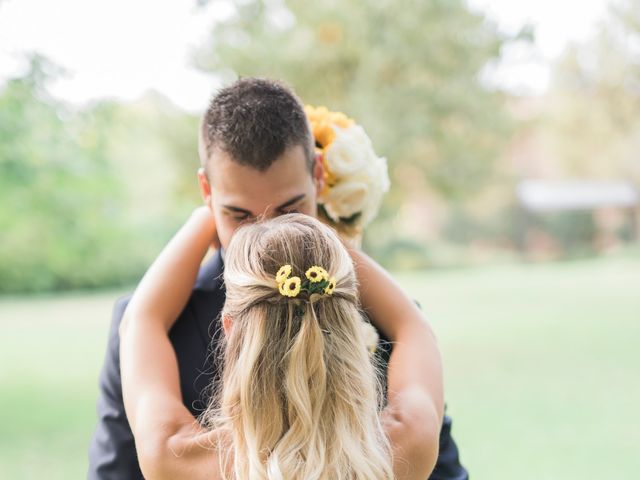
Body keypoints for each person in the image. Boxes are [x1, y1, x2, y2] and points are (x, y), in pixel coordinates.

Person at [88, 77, 468, 479]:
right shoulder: (404, 443)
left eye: (288, 210)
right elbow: (414, 326)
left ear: (230, 329)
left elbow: (140, 323)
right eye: (241, 215)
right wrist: (324, 245)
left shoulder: (183, 459)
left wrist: (208, 218)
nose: (266, 232)